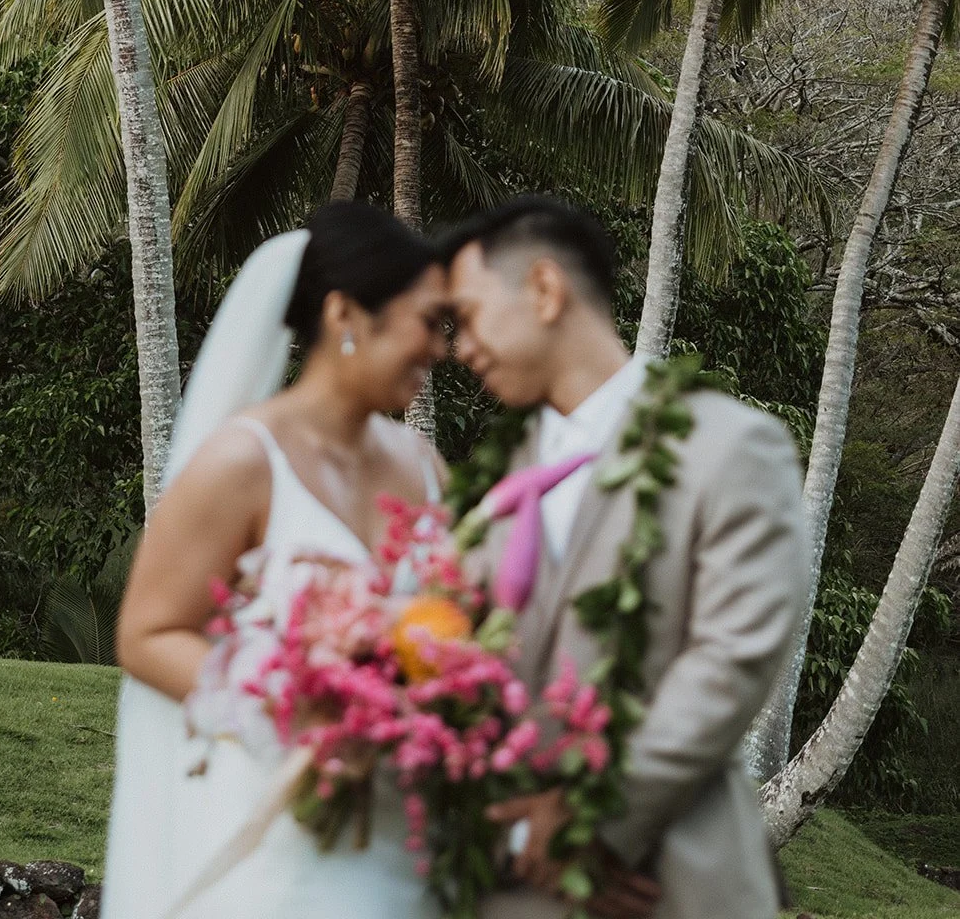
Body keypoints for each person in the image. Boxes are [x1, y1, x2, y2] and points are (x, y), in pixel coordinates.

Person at [443, 196, 808, 919]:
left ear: (544, 290)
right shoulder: (499, 473)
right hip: (507, 884)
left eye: (470, 315)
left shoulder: (730, 446)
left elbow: (731, 657)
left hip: (665, 882)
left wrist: (591, 824)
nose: (462, 348)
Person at [103, 201, 449, 919]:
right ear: (345, 314)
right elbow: (147, 634)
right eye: (426, 322)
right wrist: (291, 703)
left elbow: (449, 617)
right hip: (275, 821)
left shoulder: (424, 465)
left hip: (398, 822)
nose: (439, 348)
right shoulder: (241, 460)